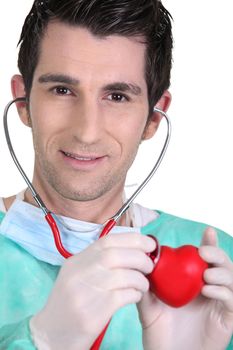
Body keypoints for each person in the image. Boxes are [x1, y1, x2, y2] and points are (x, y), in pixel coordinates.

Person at [0, 0, 232, 349]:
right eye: (62, 90)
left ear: (153, 118)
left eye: (118, 96)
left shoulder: (216, 268)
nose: (87, 132)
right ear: (24, 102)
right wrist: (41, 341)